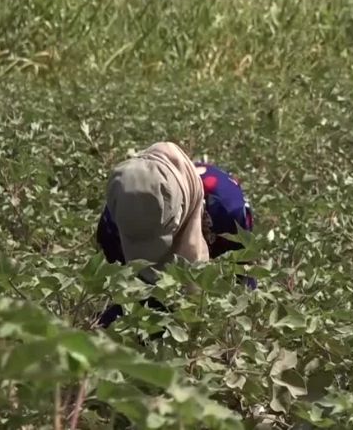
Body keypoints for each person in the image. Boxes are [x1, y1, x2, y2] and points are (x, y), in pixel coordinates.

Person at [93, 141, 255, 329]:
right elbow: (124, 288)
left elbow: (243, 273)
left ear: (181, 209)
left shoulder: (226, 209)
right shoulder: (117, 215)